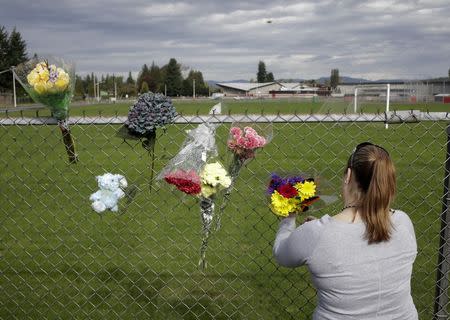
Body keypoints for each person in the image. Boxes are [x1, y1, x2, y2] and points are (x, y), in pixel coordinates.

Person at [273, 142, 418, 320]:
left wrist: (288, 220)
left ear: (348, 175)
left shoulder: (316, 234)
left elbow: (282, 253)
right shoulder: (402, 221)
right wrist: (319, 231)